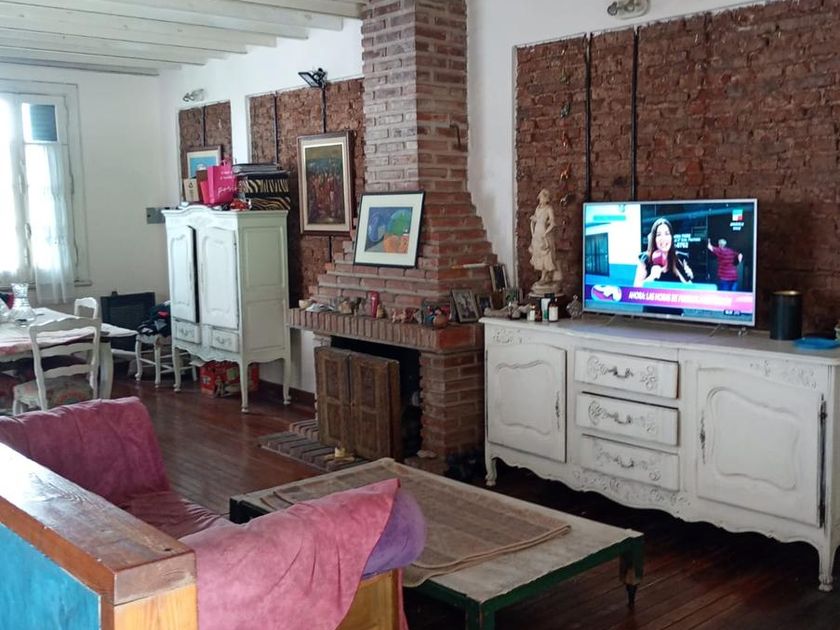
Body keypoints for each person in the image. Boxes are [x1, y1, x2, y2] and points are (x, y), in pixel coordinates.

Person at [633, 217, 694, 287]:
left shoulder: (678, 259)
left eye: (667, 234)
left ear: (671, 237)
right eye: (659, 235)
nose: (663, 238)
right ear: (654, 239)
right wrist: (651, 277)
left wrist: (685, 275)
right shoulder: (645, 259)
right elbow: (635, 289)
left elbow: (690, 288)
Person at [528, 189, 559, 285]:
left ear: (546, 198)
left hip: (544, 234)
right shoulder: (538, 209)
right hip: (537, 234)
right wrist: (533, 233)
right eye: (540, 197)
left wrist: (545, 233)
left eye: (542, 197)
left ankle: (544, 276)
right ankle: (544, 276)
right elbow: (532, 222)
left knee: (546, 255)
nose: (541, 199)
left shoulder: (549, 209)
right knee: (538, 254)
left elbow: (552, 223)